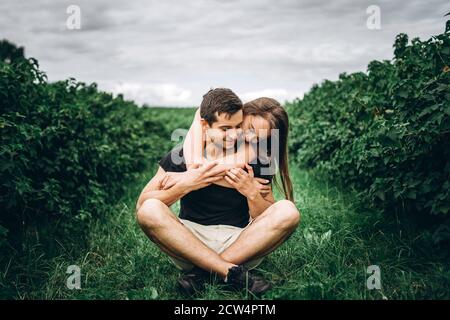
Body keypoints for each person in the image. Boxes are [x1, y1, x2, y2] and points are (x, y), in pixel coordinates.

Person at [136, 88, 300, 295]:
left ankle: (202, 274)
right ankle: (228, 272)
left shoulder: (258, 160)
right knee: (150, 209)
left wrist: (251, 193)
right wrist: (186, 183)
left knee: (287, 210)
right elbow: (143, 203)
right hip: (189, 241)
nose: (238, 135)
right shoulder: (181, 155)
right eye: (236, 127)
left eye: (257, 137)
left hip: (240, 243)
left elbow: (263, 216)